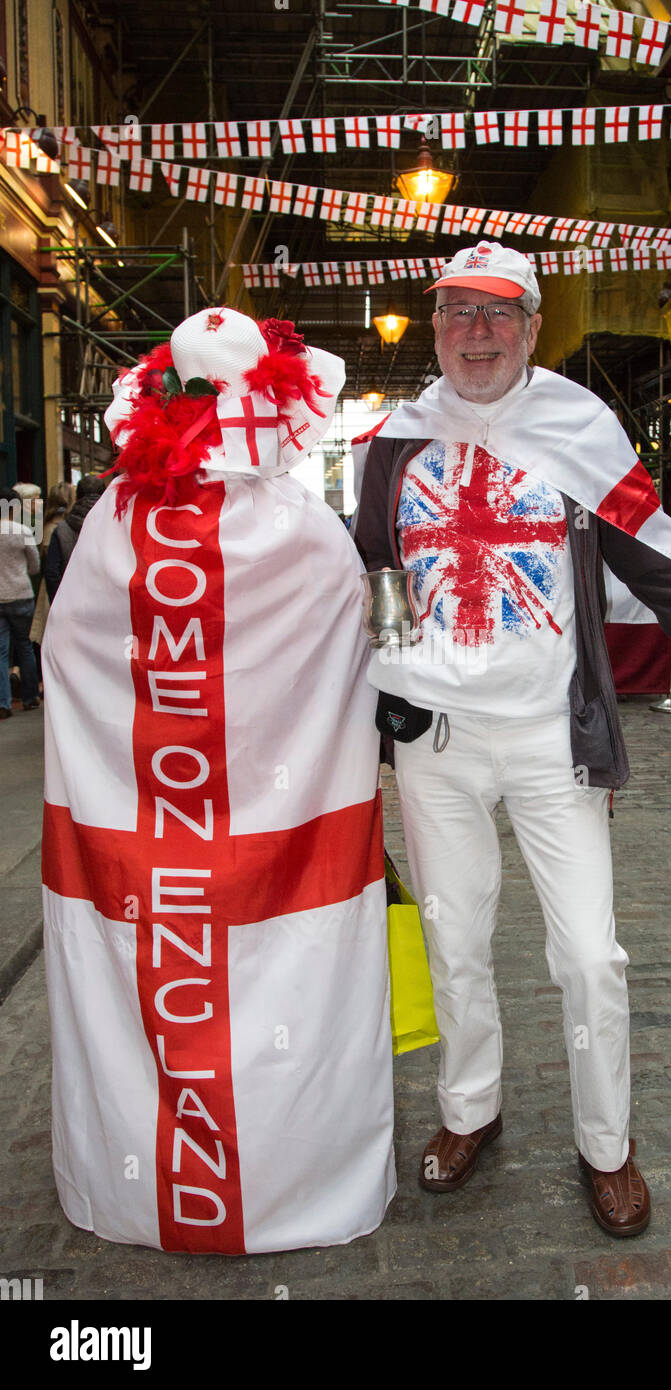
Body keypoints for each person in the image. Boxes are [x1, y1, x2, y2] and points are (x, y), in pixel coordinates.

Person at [352, 241, 671, 1238]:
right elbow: (373, 572)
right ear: (434, 324)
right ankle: (467, 1110)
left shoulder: (578, 427)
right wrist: (384, 686)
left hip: (545, 738)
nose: (474, 335)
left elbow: (657, 566)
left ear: (531, 327)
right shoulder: (392, 443)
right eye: (456, 313)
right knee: (452, 940)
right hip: (436, 743)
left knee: (589, 956)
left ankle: (605, 1147)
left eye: (496, 316)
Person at [42, 308, 394, 1253]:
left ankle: (148, 1178)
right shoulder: (303, 526)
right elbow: (349, 647)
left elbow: (69, 655)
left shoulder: (117, 518)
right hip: (279, 848)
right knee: (286, 992)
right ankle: (295, 1179)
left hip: (146, 848)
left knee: (151, 987)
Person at [0, 484, 41, 719]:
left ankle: (3, 702)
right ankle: (29, 697)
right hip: (22, 593)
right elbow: (35, 565)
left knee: (1, 651)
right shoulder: (23, 531)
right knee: (25, 646)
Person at [44, 474, 106, 602]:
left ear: (76, 497)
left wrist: (59, 604)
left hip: (71, 601)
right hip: (106, 603)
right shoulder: (115, 525)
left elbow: (52, 572)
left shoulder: (61, 529)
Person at [29, 481, 75, 652]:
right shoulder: (57, 529)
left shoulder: (46, 526)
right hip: (56, 590)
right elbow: (50, 569)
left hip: (50, 589)